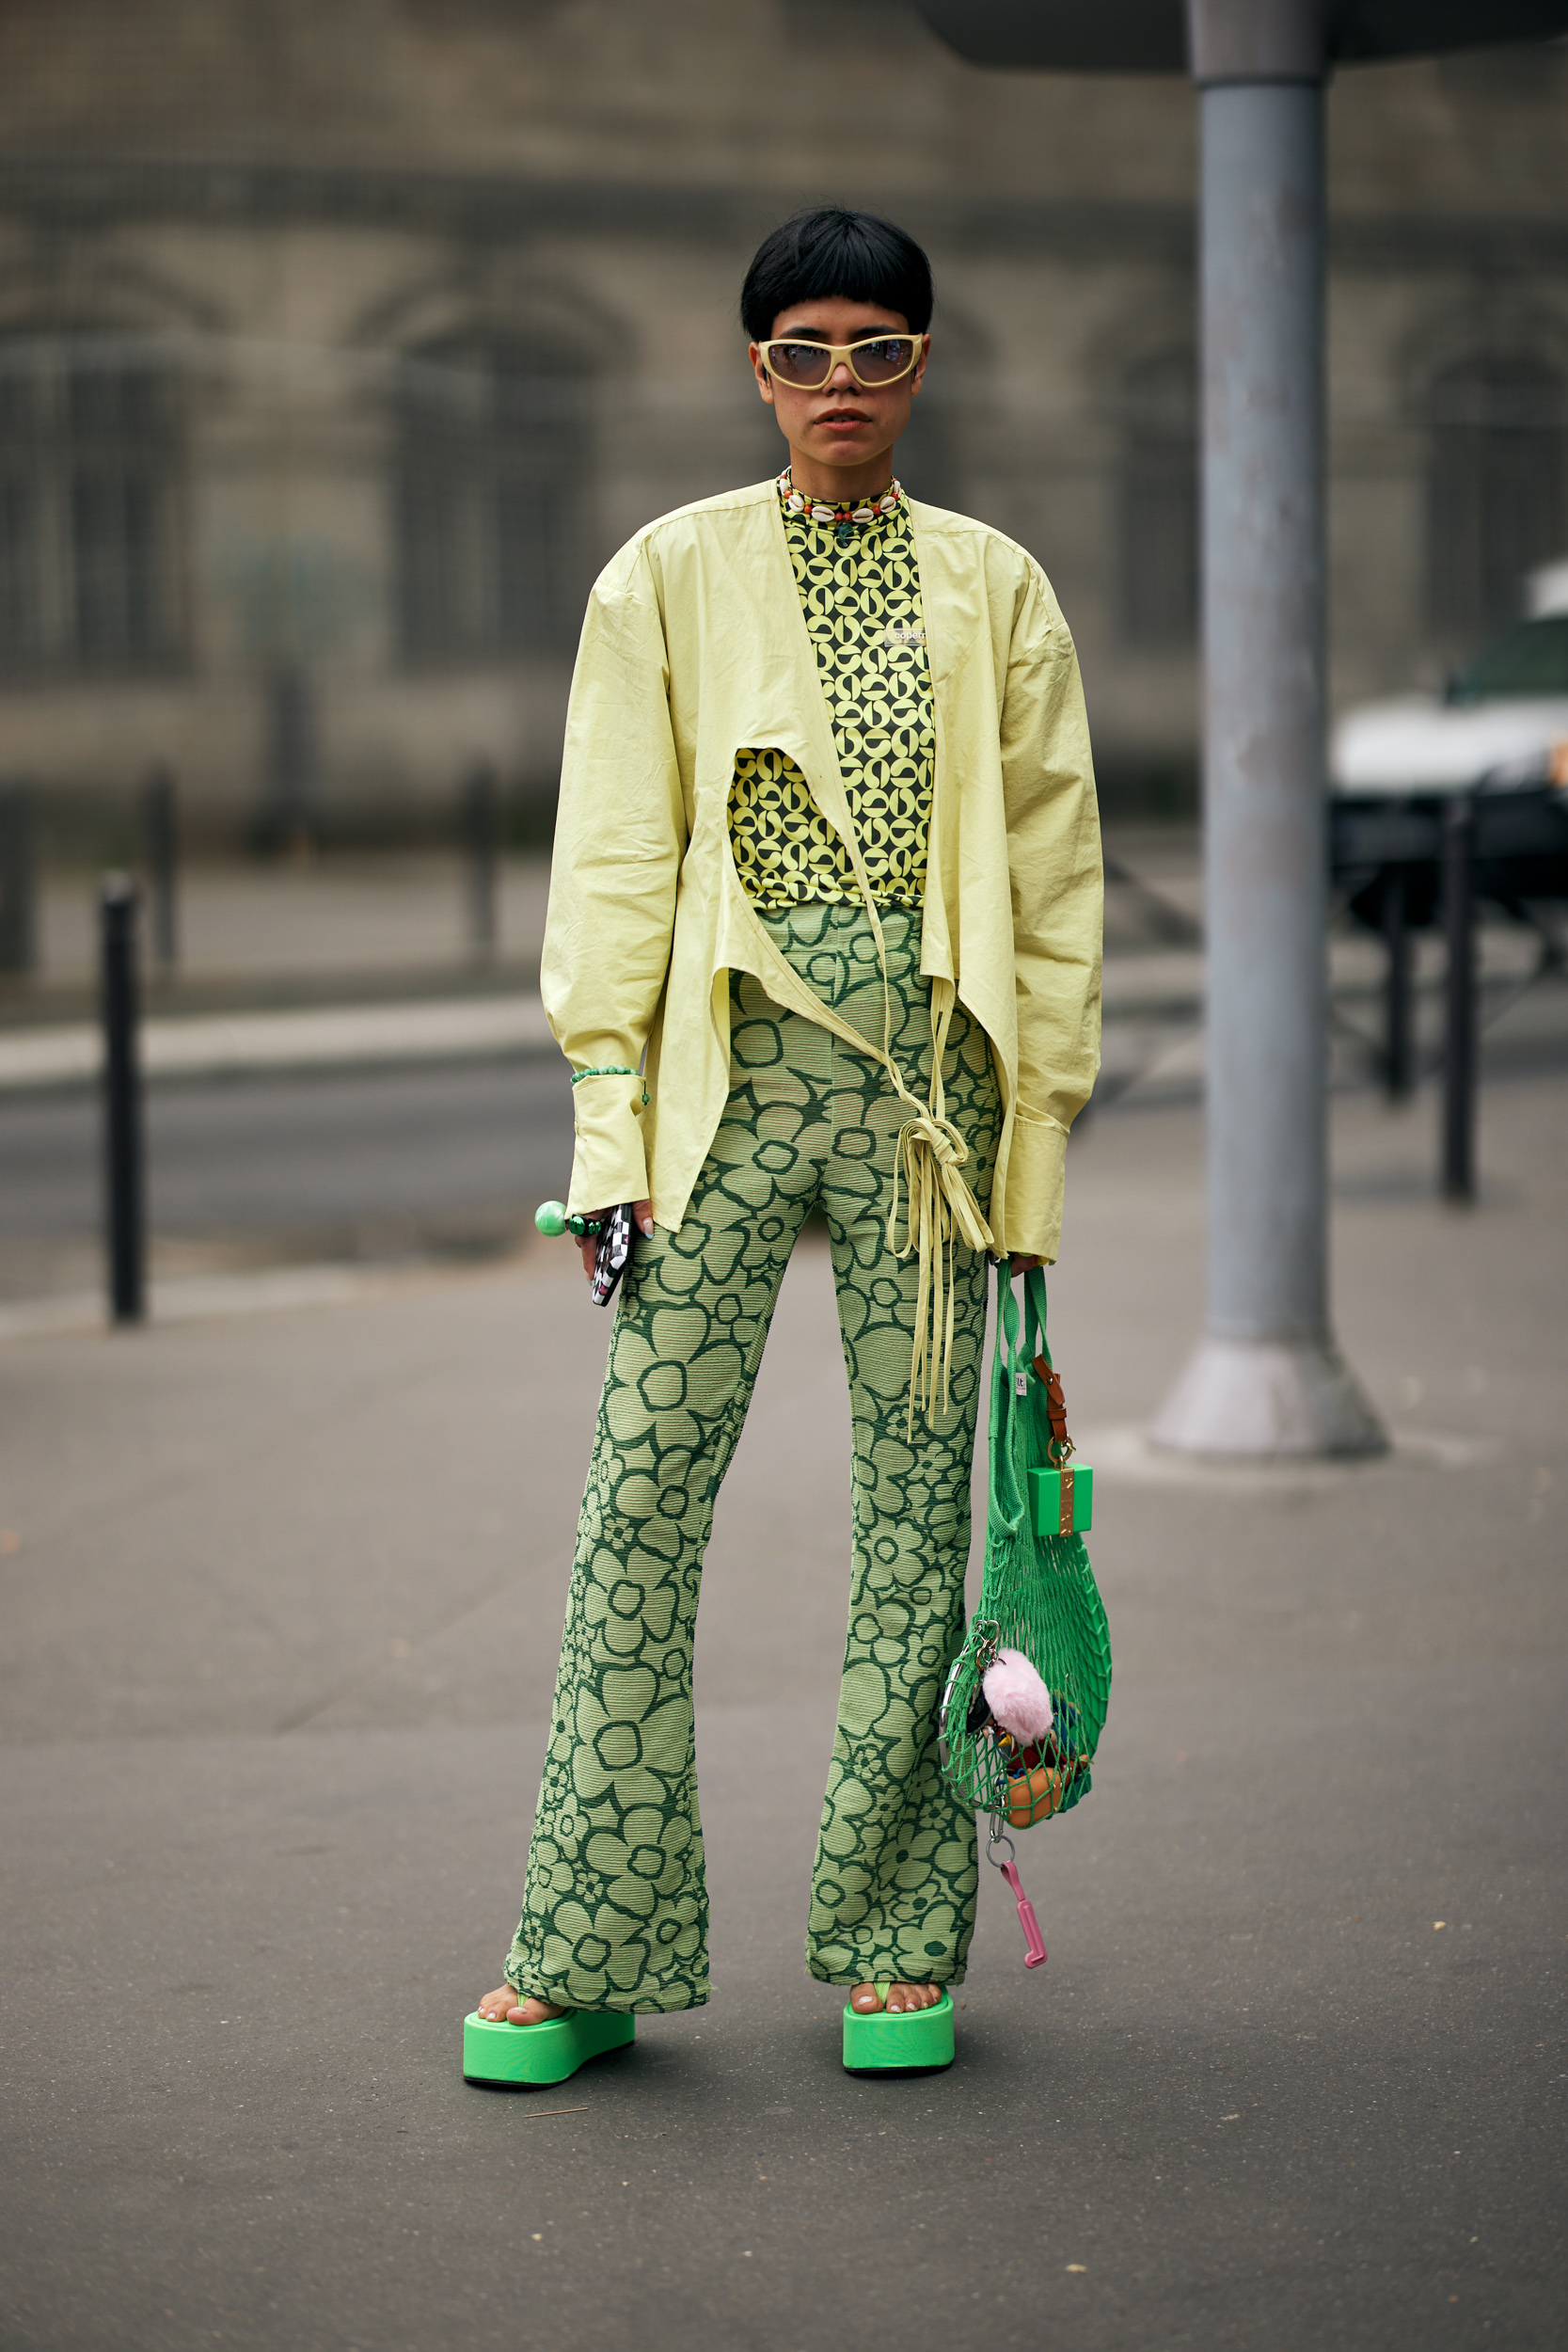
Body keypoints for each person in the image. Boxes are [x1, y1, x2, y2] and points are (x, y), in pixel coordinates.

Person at [476, 205, 1101, 2049]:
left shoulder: (997, 586)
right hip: (719, 1101)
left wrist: (1030, 1158)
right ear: (757, 369)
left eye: (879, 349)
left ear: (924, 363)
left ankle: (901, 1933)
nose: (843, 382)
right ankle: (586, 1944)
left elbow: (1056, 884)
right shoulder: (663, 576)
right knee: (637, 1511)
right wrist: (611, 1131)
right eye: (807, 350)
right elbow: (607, 857)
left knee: (919, 1535)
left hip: (928, 1116)